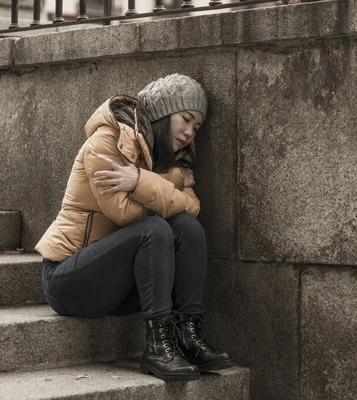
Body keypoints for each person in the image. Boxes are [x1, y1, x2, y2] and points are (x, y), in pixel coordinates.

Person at [35, 74, 232, 381]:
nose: (190, 133)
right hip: (68, 279)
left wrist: (140, 181)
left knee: (187, 228)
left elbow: (192, 207)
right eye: (186, 120)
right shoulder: (105, 142)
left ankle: (187, 336)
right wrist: (173, 183)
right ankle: (156, 349)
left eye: (197, 127)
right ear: (165, 113)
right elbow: (124, 212)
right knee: (153, 228)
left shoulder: (170, 157)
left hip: (118, 283)